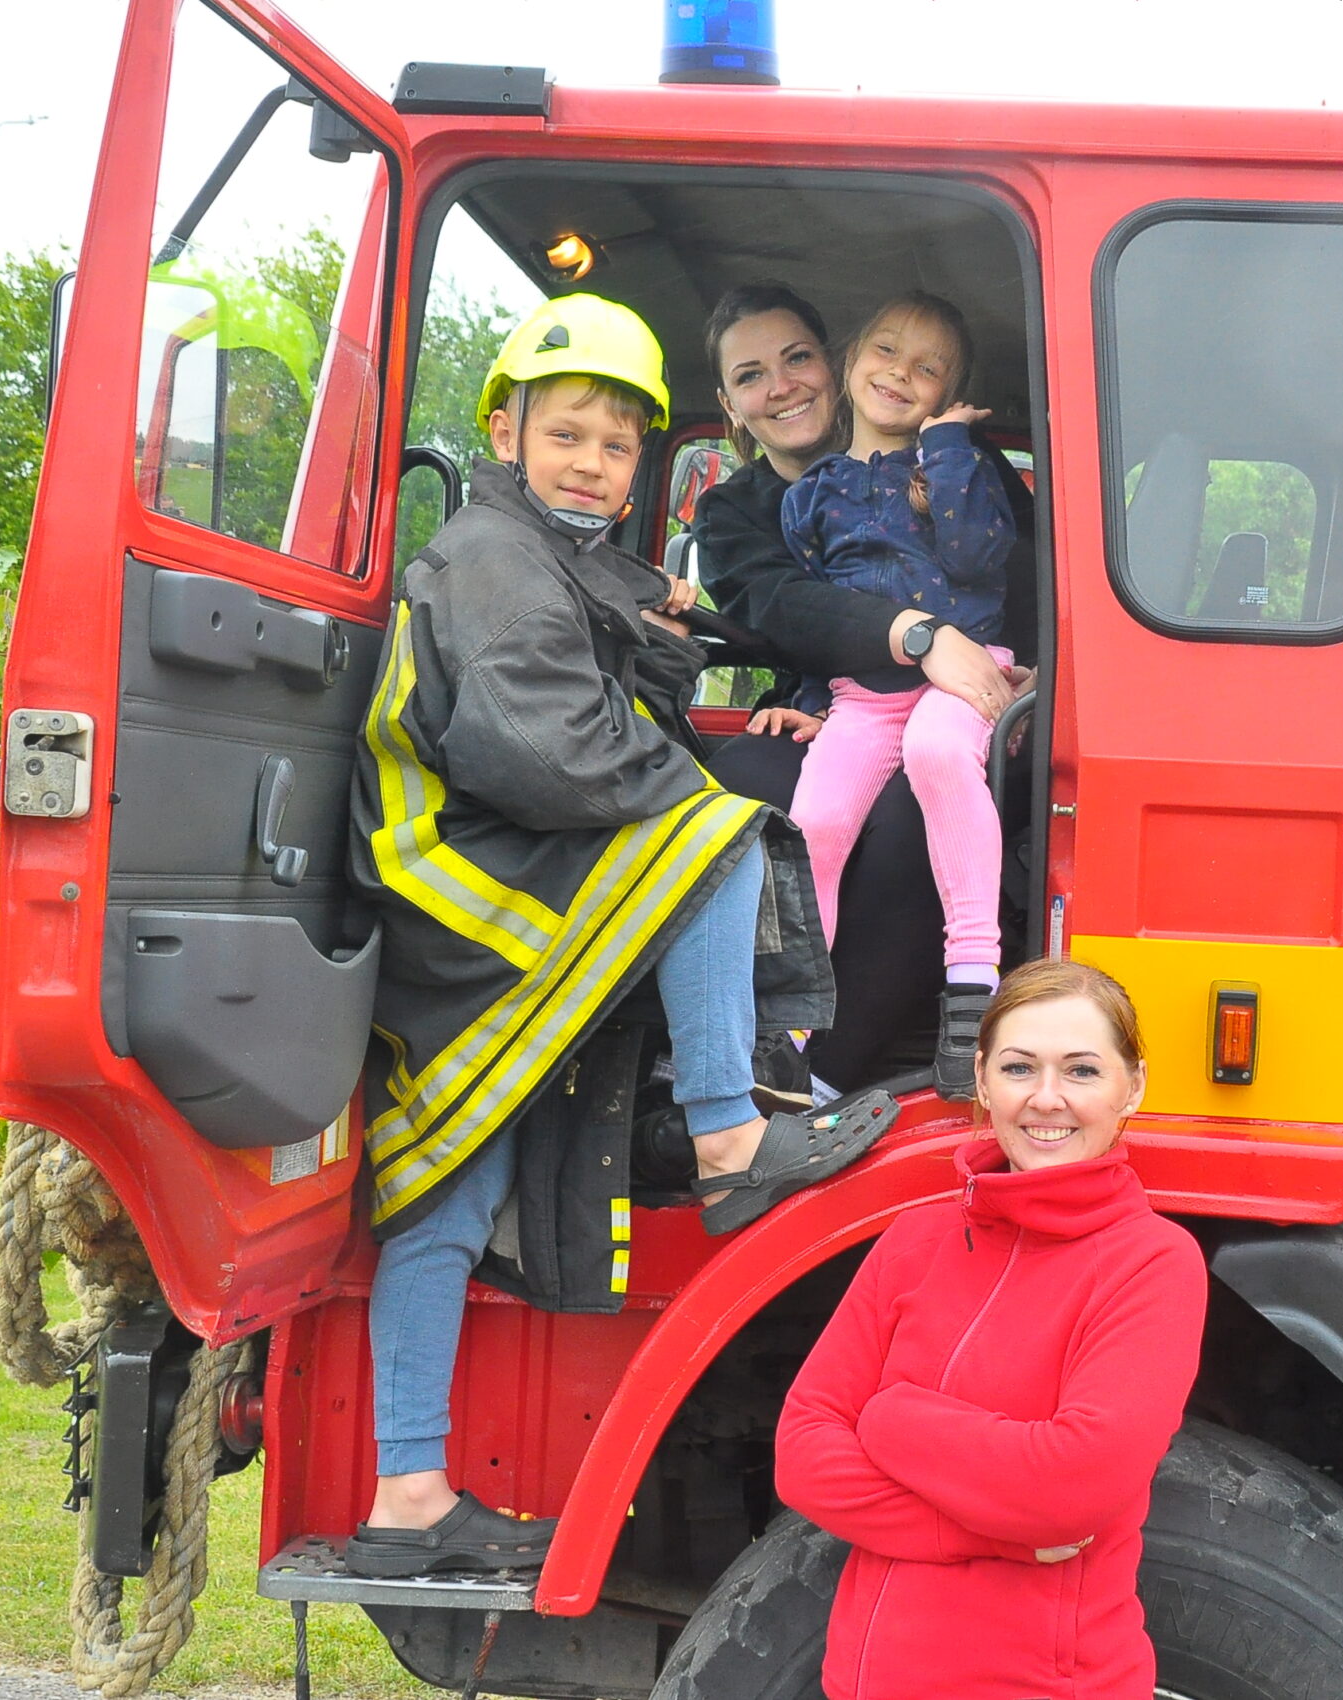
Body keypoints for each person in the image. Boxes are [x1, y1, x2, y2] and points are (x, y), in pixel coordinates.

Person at [342, 294, 893, 1578]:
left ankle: (408, 1493)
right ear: (504, 433)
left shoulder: (552, 554)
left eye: (615, 444)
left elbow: (594, 702)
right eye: (567, 436)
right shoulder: (493, 558)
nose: (592, 463)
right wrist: (686, 786)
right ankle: (727, 1132)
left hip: (486, 865)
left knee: (444, 1189)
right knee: (715, 840)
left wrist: (653, 638)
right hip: (455, 885)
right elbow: (539, 748)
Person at [774, 959, 1208, 1700]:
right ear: (981, 1080)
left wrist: (889, 1417)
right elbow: (802, 1455)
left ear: (1132, 1087)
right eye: (1018, 1067)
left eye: (1081, 1070)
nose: (1046, 1098)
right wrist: (983, 1533)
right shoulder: (913, 1240)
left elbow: (1070, 1488)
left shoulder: (1153, 1263)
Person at [692, 283, 1037, 1096]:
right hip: (840, 698)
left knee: (920, 801)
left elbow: (1018, 578)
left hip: (974, 697)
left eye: (796, 358)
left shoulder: (953, 456)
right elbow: (791, 606)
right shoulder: (748, 509)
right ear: (730, 406)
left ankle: (838, 1069)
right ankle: (751, 1041)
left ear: (830, 359)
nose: (781, 386)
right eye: (751, 376)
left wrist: (1034, 671)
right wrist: (906, 642)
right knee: (748, 789)